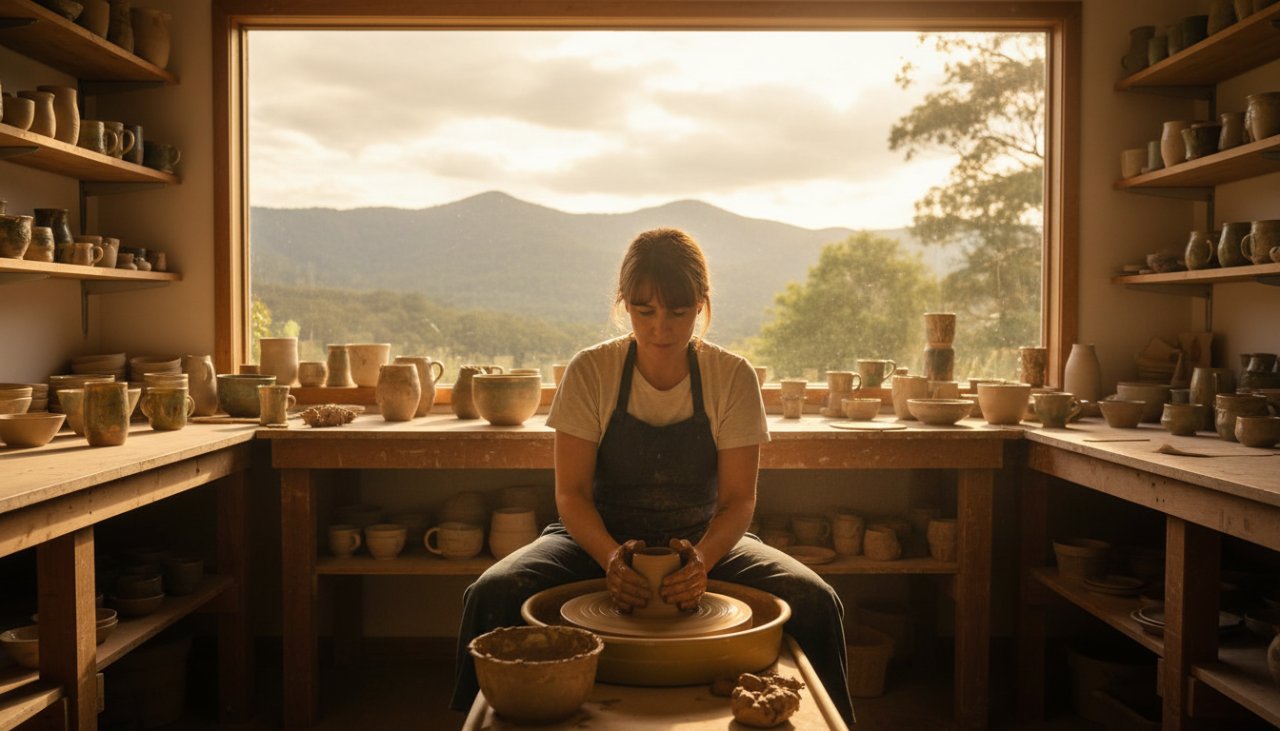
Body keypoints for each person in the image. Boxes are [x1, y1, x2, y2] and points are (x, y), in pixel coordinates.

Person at [451, 228, 854, 724]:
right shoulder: (591, 371)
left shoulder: (732, 376)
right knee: (493, 592)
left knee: (815, 599)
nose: (662, 327)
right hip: (596, 535)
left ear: (702, 305)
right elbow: (572, 495)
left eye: (679, 312)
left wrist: (702, 561)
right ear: (624, 304)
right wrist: (611, 557)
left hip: (703, 537)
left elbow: (737, 501)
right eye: (645, 311)